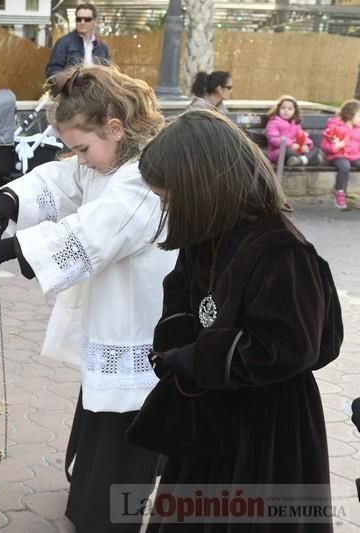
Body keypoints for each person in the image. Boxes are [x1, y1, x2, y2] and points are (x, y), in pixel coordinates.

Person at [0, 64, 177, 533]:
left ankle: (107, 513)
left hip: (138, 312)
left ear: (115, 127)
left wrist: (20, 248)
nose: (80, 158)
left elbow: (96, 231)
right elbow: (61, 180)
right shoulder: (108, 160)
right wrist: (11, 198)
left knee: (127, 405)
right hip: (114, 305)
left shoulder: (147, 175)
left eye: (83, 147)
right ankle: (88, 482)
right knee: (103, 396)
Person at [127, 110, 342, 532]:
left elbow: (293, 346)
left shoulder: (282, 252)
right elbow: (183, 294)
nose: (165, 205)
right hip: (210, 416)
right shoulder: (207, 236)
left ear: (205, 188)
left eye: (170, 196)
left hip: (267, 429)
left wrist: (202, 357)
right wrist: (175, 345)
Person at [45, 3, 110, 79]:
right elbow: (52, 71)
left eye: (87, 19)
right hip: (71, 90)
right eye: (78, 19)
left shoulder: (102, 47)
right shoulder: (63, 43)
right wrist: (70, 81)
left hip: (95, 90)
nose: (82, 22)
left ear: (95, 21)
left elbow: (108, 73)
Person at [320, 99, 360, 210]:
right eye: (359, 116)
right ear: (350, 114)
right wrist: (335, 147)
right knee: (344, 166)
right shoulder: (335, 127)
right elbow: (325, 145)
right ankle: (340, 192)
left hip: (354, 156)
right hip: (337, 156)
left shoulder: (358, 129)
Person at [265, 95, 323, 168]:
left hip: (297, 151)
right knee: (289, 152)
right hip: (279, 152)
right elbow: (273, 139)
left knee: (315, 149)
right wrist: (291, 144)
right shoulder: (273, 122)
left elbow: (303, 136)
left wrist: (306, 145)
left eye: (290, 109)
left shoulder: (295, 124)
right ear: (278, 109)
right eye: (283, 108)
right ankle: (305, 160)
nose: (286, 111)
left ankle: (300, 160)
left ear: (294, 111)